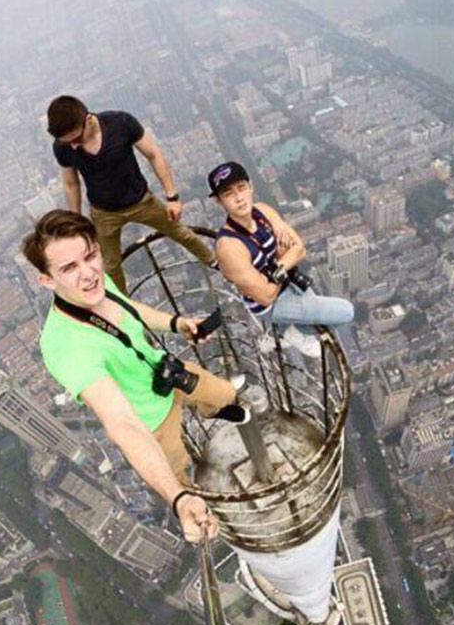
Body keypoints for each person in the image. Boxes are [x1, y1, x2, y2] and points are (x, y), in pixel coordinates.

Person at [22, 210, 249, 543]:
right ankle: (194, 505)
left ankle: (212, 409)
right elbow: (121, 423)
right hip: (151, 423)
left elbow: (131, 310)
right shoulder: (64, 346)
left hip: (167, 371)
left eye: (90, 255)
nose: (88, 273)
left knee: (225, 393)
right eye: (69, 268)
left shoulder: (97, 283)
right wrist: (179, 499)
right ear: (47, 280)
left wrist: (176, 324)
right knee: (180, 473)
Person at [47, 95, 215, 293]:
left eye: (76, 139)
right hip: (104, 212)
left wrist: (172, 197)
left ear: (89, 120)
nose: (74, 146)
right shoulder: (63, 147)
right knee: (110, 265)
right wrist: (75, 220)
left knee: (183, 234)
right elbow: (71, 183)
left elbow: (153, 154)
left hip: (141, 201)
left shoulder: (120, 123)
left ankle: (215, 262)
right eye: (67, 142)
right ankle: (121, 304)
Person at [208, 162, 354, 358]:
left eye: (241, 188)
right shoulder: (229, 247)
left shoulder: (262, 211)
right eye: (228, 194)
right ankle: (290, 331)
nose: (239, 198)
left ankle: (286, 330)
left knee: (325, 316)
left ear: (251, 186)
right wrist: (282, 258)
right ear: (218, 201)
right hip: (271, 306)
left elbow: (300, 249)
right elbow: (266, 296)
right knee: (345, 312)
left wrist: (275, 270)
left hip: (289, 281)